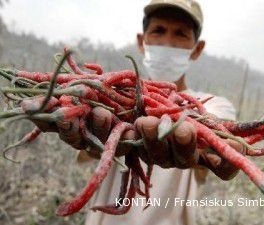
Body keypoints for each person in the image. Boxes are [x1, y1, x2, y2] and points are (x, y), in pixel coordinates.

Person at [29, 0, 244, 224]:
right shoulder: (114, 96)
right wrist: (88, 134)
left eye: (180, 34)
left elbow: (215, 126)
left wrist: (209, 141)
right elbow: (91, 144)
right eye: (159, 31)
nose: (168, 43)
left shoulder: (212, 104)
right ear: (142, 42)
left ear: (197, 48)